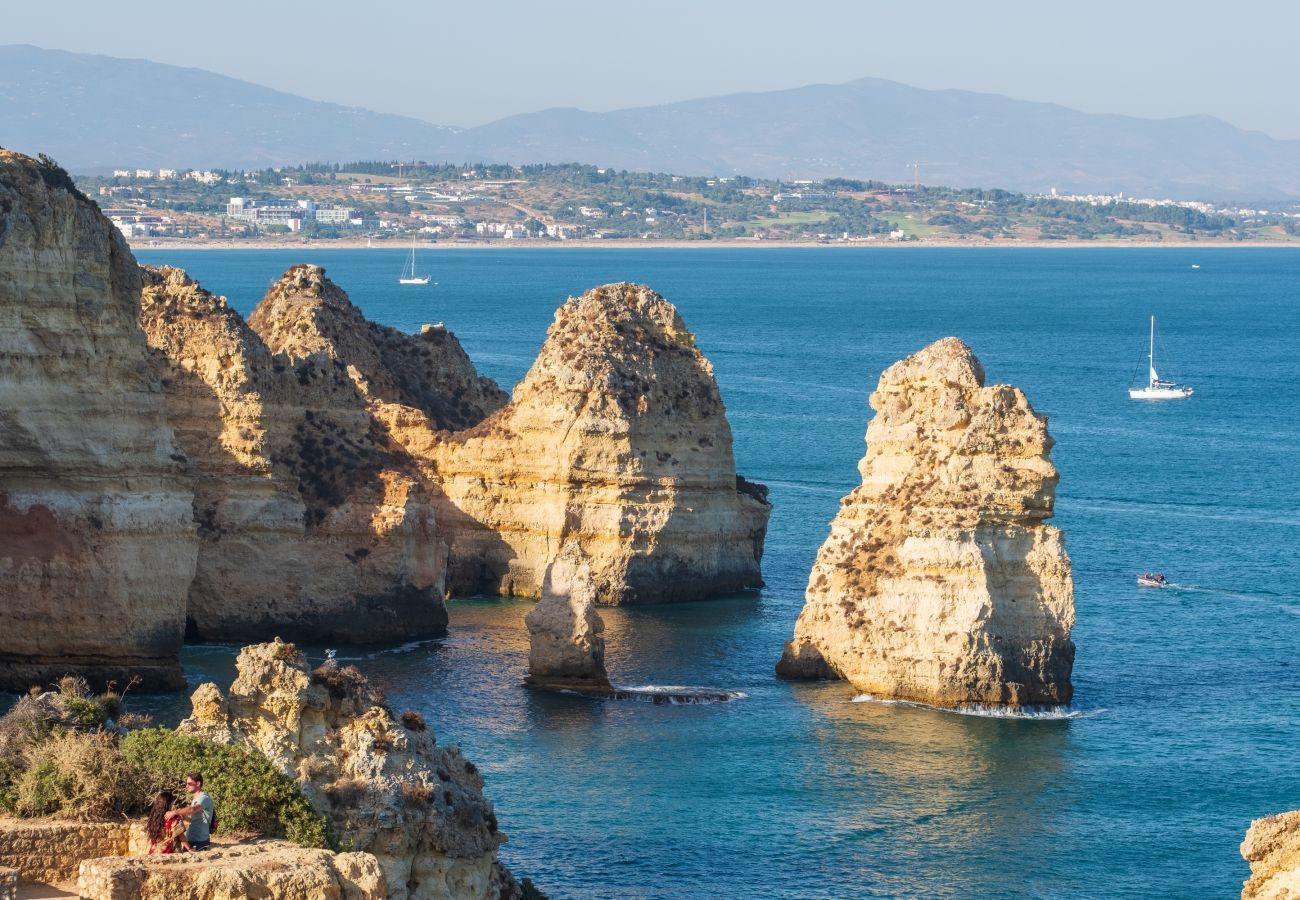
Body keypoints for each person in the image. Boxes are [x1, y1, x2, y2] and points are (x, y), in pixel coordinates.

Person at [165, 772, 215, 851]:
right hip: (192, 840)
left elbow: (193, 809)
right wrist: (181, 816)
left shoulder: (204, 798)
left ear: (198, 783)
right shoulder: (197, 798)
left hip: (199, 842)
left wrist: (175, 812)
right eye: (186, 783)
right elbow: (194, 817)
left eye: (189, 783)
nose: (186, 786)